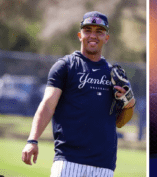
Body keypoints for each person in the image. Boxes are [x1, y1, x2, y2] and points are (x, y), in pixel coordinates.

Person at [21, 11, 136, 177]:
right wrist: (32, 140)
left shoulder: (114, 75)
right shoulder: (65, 67)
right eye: (88, 30)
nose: (93, 36)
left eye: (99, 31)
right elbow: (47, 105)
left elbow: (120, 122)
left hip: (104, 165)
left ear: (107, 38)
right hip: (68, 161)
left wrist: (129, 102)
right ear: (79, 35)